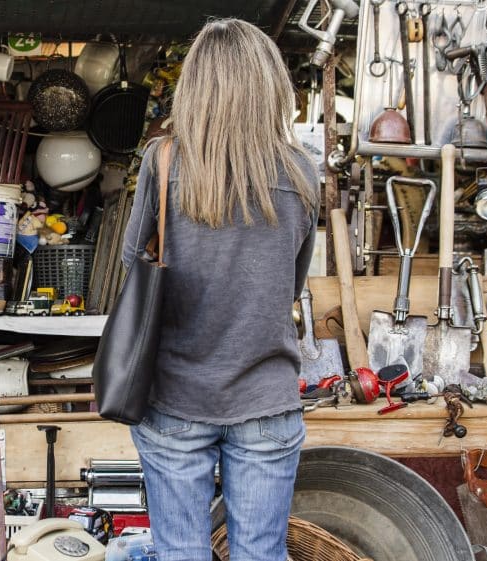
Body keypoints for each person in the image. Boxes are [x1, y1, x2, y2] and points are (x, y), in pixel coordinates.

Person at [121, 18, 320, 561]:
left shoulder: (162, 163)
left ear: (196, 84)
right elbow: (291, 283)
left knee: (180, 552)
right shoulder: (302, 173)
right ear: (270, 84)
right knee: (260, 554)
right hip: (266, 396)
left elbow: (132, 270)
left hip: (176, 395)